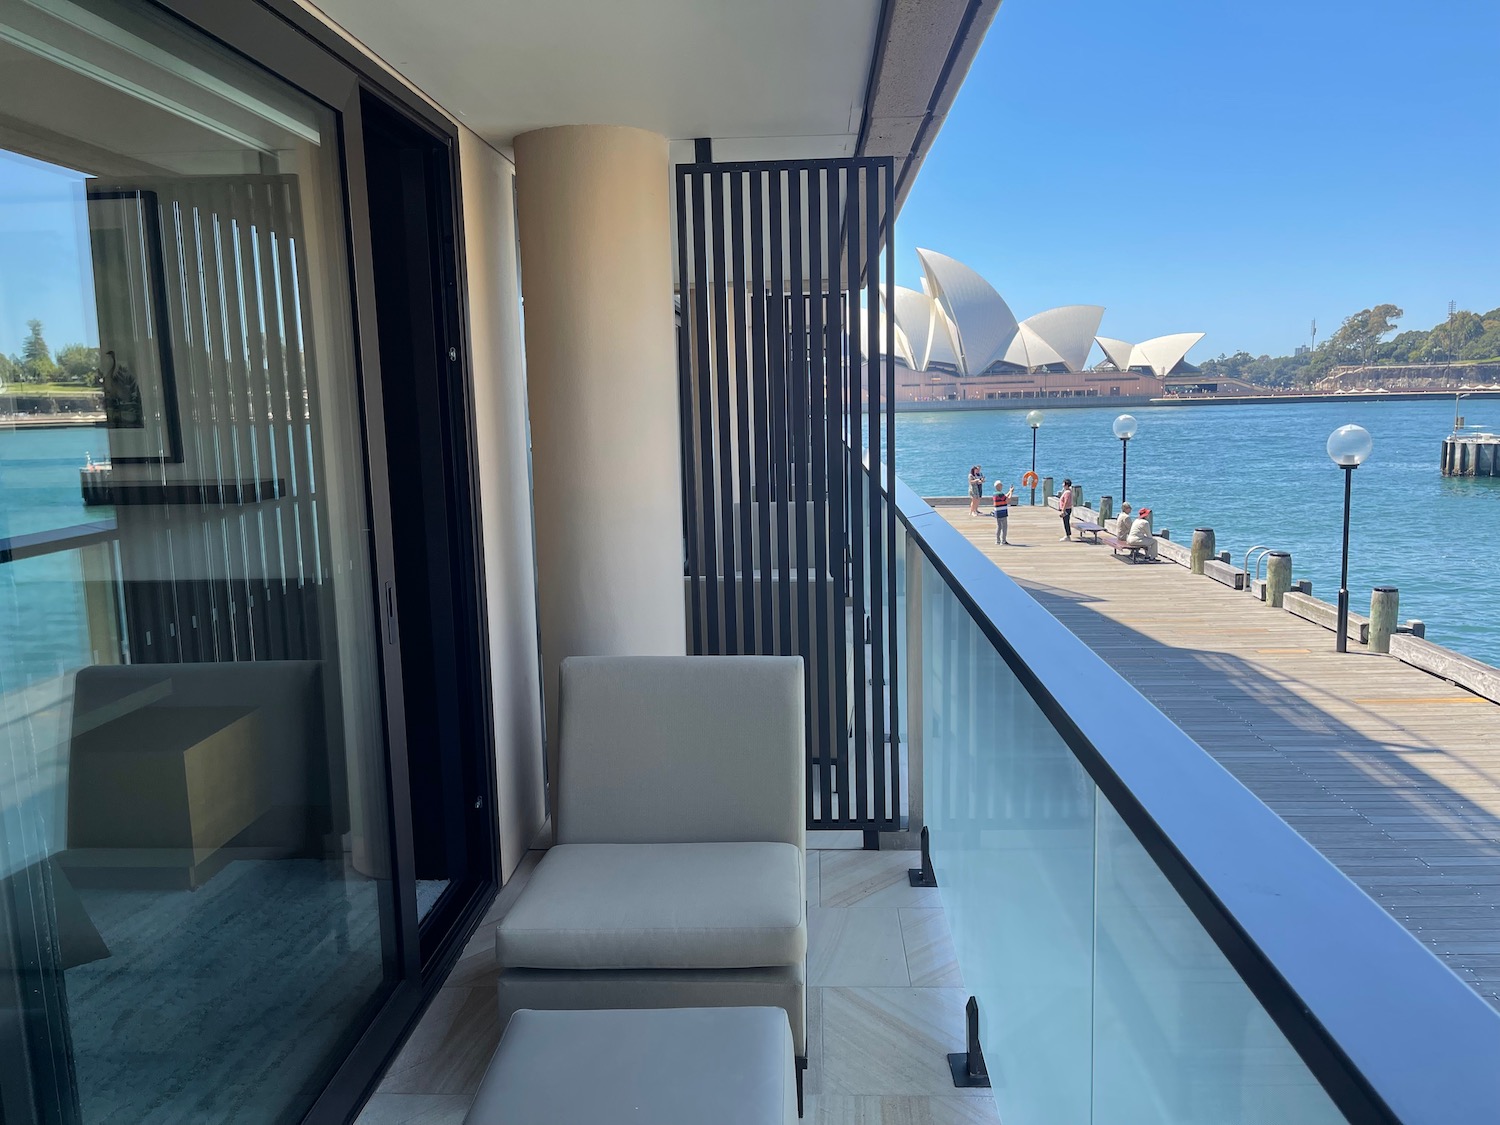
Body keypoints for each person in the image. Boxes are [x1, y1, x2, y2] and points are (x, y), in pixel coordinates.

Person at [991, 479, 1016, 544]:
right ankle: (1003, 540)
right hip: (1002, 512)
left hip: (997, 513)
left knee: (999, 526)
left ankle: (997, 540)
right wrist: (1011, 492)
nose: (1002, 486)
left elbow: (1004, 496)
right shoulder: (1000, 494)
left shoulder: (995, 494)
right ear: (998, 486)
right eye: (1001, 485)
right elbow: (1008, 500)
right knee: (1004, 527)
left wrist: (1009, 491)